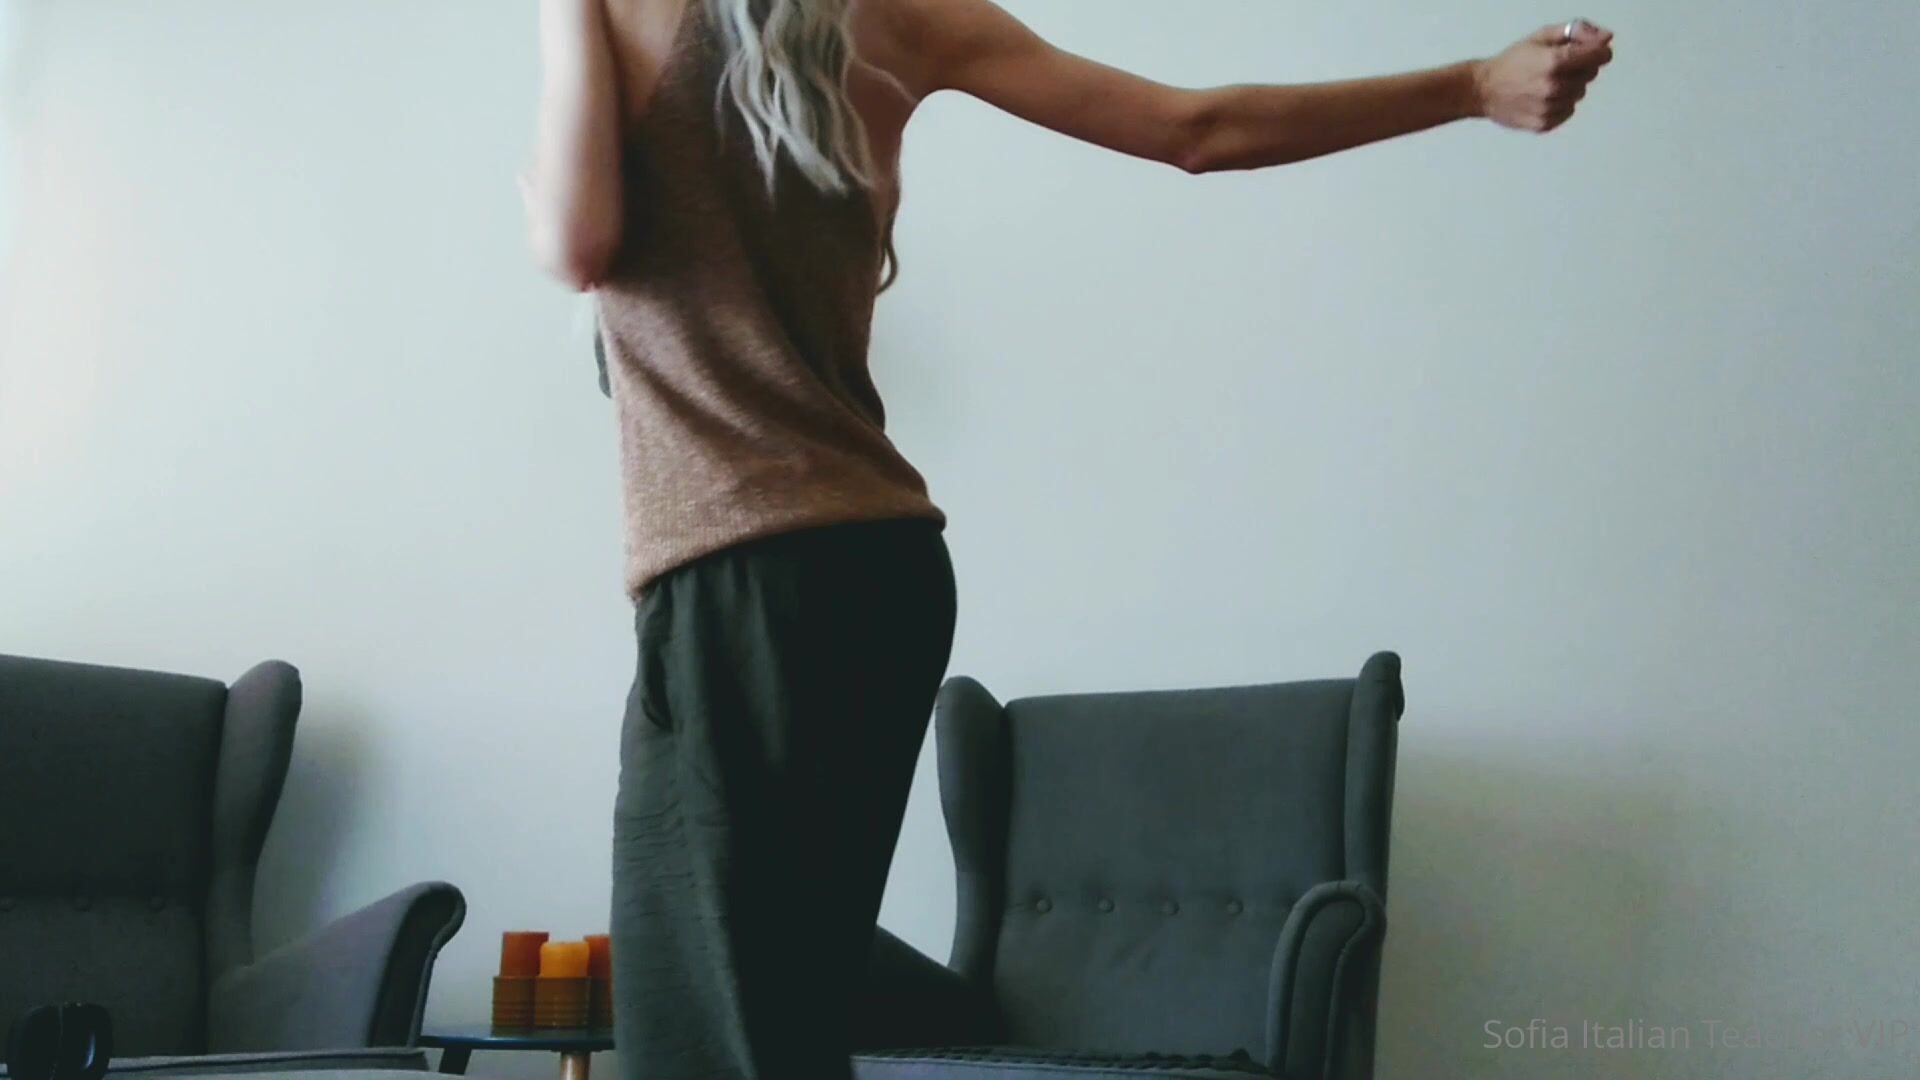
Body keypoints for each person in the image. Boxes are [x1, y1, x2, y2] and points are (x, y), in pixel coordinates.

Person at [522, 2, 1614, 1077]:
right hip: (878, 577)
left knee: (705, 1025)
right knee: (781, 1002)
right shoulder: (900, 16)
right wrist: (1473, 85)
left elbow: (575, 241)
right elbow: (1197, 128)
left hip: (745, 579)